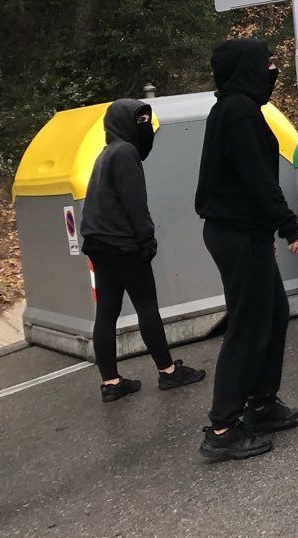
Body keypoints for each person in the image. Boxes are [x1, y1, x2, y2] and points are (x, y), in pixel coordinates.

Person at [194, 39, 298, 461]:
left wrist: (265, 231)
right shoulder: (238, 111)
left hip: (245, 232)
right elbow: (257, 177)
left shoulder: (236, 108)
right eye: (267, 63)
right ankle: (223, 427)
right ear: (246, 69)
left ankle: (261, 404)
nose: (272, 70)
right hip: (236, 233)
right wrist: (288, 224)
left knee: (273, 314)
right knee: (248, 324)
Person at [79, 99, 206, 402]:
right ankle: (168, 371)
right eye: (139, 121)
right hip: (124, 244)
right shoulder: (126, 153)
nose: (144, 127)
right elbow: (135, 203)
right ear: (123, 123)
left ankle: (111, 383)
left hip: (98, 243)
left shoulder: (105, 153)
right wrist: (147, 241)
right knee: (146, 307)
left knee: (106, 313)